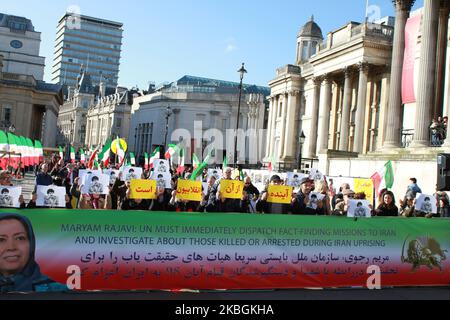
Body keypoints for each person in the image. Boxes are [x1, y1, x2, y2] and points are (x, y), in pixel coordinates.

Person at [0, 213, 68, 292]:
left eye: (20, 238)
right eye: (1, 240)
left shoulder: (57, 292)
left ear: (31, 243)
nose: (11, 247)